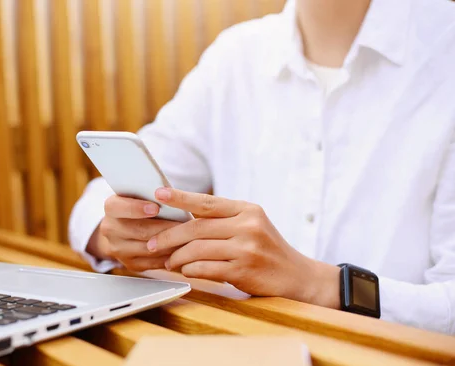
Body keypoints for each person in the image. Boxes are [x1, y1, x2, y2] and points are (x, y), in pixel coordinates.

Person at [69, 0, 455, 335]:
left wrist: (317, 283)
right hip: (240, 347)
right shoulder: (236, 56)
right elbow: (93, 206)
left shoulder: (444, 50)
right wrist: (117, 236)